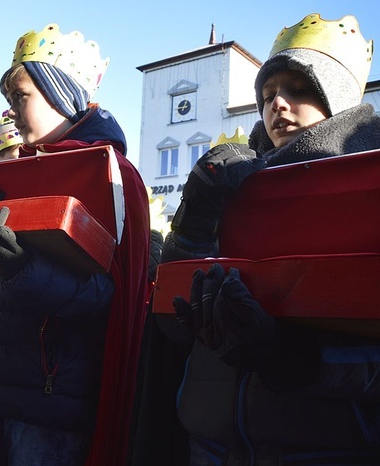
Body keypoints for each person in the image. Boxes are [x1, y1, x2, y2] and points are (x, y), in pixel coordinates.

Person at [156, 12, 380, 465]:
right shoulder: (231, 180)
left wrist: (290, 358)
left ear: (335, 98)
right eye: (267, 94)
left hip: (321, 446)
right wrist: (194, 220)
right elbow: (169, 322)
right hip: (209, 438)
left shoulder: (371, 185)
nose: (276, 103)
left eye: (298, 89)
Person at [0, 23, 150, 466]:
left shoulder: (111, 175)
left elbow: (107, 298)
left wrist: (20, 265)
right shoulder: (7, 176)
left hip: (48, 403)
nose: (9, 112)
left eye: (20, 96)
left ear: (59, 93)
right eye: (8, 100)